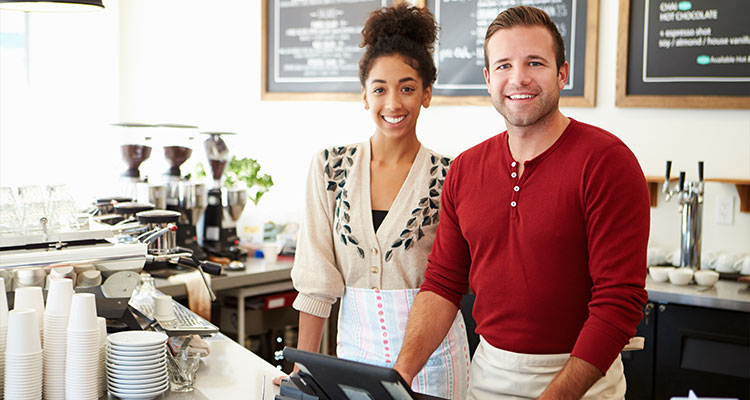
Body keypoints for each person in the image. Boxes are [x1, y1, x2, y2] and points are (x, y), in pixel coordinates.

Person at [393, 6, 650, 400]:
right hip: (489, 376)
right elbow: (443, 284)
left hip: (583, 381)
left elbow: (619, 303)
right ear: (488, 79)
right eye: (503, 66)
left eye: (535, 62)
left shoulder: (607, 162)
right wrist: (399, 377)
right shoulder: (464, 169)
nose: (519, 78)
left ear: (563, 73)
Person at [275, 4, 469, 399]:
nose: (393, 103)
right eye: (380, 88)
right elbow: (316, 281)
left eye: (408, 87)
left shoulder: (452, 175)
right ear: (364, 95)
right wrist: (300, 372)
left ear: (427, 94)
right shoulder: (330, 168)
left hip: (434, 364)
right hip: (355, 358)